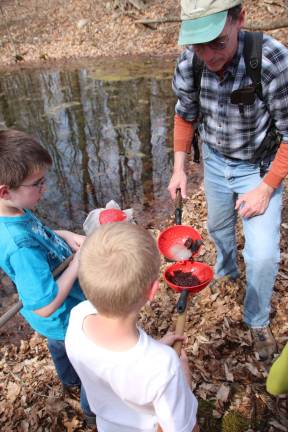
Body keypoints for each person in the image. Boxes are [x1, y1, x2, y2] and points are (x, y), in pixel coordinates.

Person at [168, 0, 288, 361]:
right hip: (216, 164)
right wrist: (179, 168)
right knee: (218, 229)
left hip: (260, 168)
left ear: (240, 20)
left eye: (217, 43)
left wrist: (266, 187)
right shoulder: (191, 64)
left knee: (263, 254)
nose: (208, 56)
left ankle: (256, 319)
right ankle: (226, 273)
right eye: (198, 45)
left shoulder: (271, 62)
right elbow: (185, 115)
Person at [65, 222, 199, 432]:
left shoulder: (77, 317)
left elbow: (116, 364)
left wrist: (155, 346)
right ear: (152, 291)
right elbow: (182, 428)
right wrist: (184, 377)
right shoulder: (164, 367)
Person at [0, 129, 95, 423]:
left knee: (59, 348)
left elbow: (40, 236)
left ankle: (68, 380)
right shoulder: (19, 247)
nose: (45, 189)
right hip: (63, 316)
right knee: (91, 366)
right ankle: (94, 413)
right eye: (37, 183)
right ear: (5, 190)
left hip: (51, 323)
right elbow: (44, 303)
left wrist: (64, 236)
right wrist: (79, 261)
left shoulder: (13, 210)